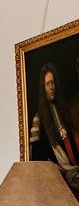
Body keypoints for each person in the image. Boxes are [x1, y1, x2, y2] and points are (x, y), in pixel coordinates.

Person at [28, 62, 79, 191]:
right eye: (47, 84)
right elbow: (36, 158)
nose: (51, 87)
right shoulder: (38, 119)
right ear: (43, 88)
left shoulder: (62, 110)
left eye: (52, 83)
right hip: (60, 178)